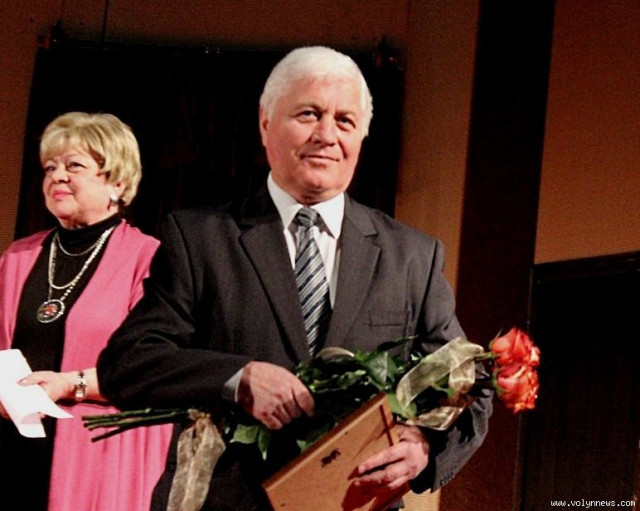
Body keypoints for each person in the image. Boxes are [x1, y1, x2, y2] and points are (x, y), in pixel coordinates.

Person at [97, 46, 493, 510]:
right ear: (265, 123)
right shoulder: (200, 238)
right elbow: (128, 363)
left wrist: (424, 448)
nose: (326, 135)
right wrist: (237, 379)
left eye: (345, 121)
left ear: (362, 136)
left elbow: (469, 383)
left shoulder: (412, 256)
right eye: (309, 114)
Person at [0, 112, 173, 511]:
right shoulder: (18, 256)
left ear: (117, 183)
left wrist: (69, 385)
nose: (57, 176)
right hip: (13, 451)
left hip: (96, 456)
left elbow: (155, 365)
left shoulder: (149, 260)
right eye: (50, 168)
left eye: (73, 166)